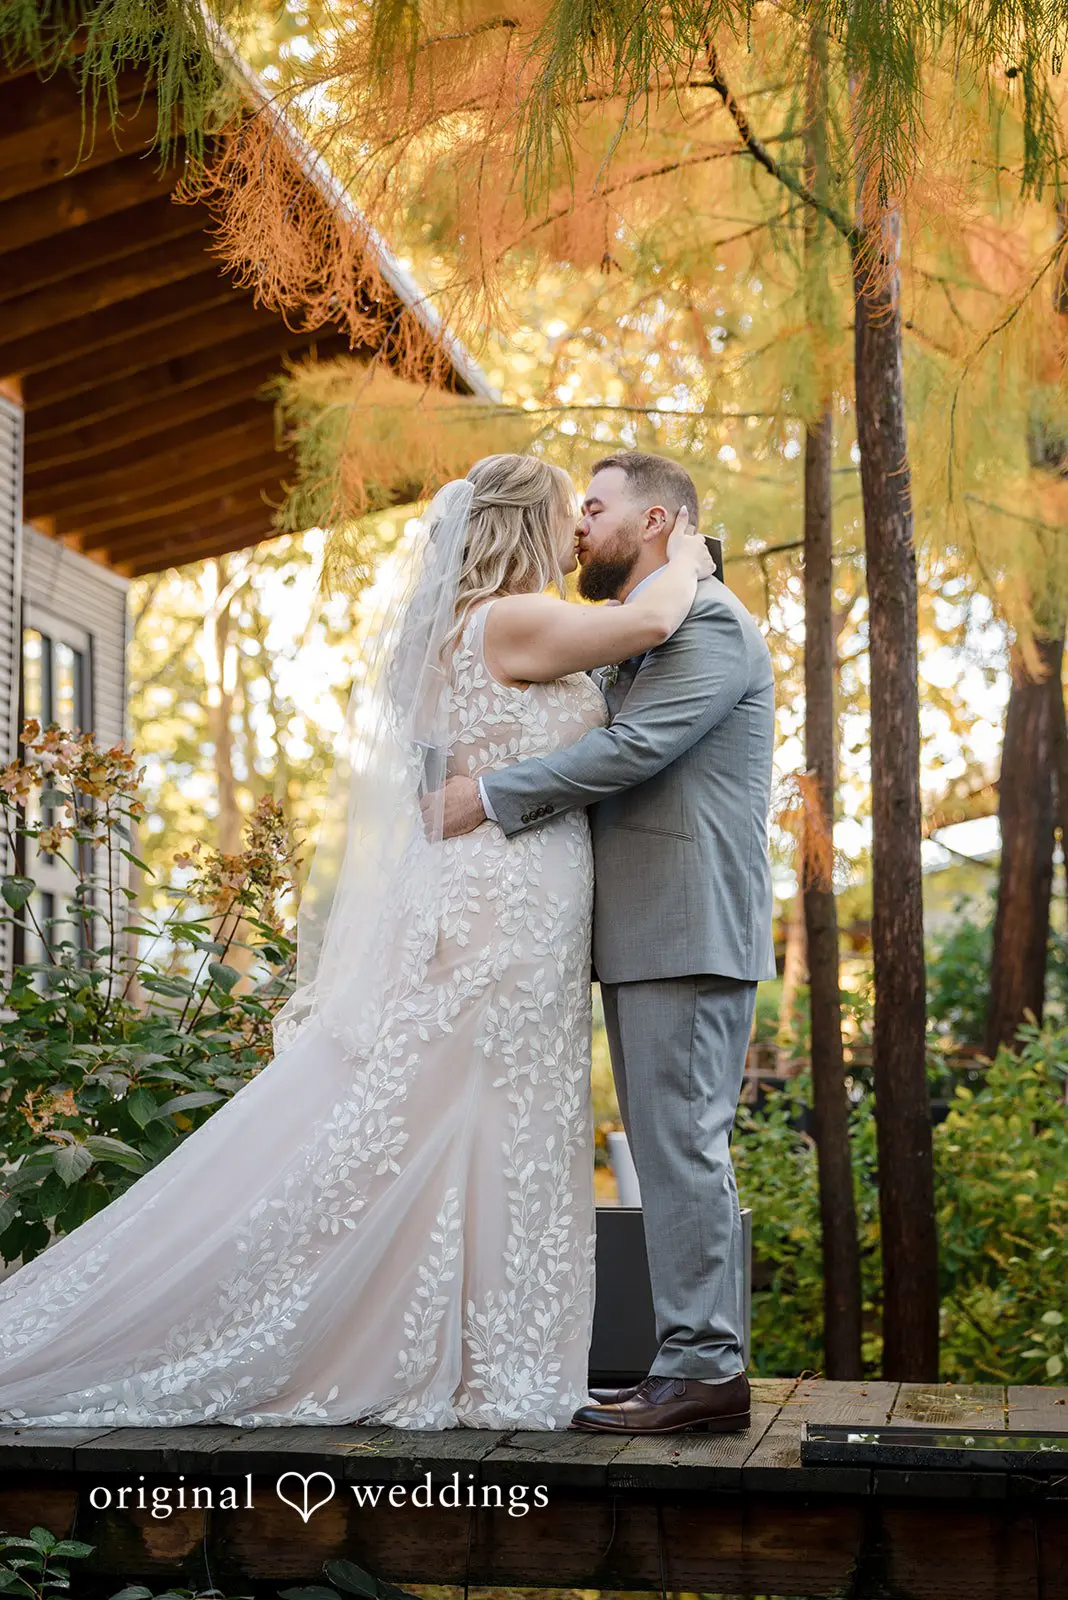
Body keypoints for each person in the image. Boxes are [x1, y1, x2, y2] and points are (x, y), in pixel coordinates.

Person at [0, 453, 712, 1431]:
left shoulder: (446, 637)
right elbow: (648, 623)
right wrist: (691, 553)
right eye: (562, 514)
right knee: (491, 1115)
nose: (574, 533)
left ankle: (475, 1357)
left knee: (460, 1116)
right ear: (517, 526)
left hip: (486, 893)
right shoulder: (510, 618)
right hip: (506, 902)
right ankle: (483, 1363)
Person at [435, 451, 776, 1436]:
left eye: (596, 508)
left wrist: (486, 797)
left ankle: (705, 1369)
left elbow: (633, 750)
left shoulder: (706, 621)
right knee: (663, 1149)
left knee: (679, 1148)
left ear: (659, 523)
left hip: (684, 925)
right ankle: (689, 1361)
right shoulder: (628, 630)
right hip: (638, 932)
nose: (578, 526)